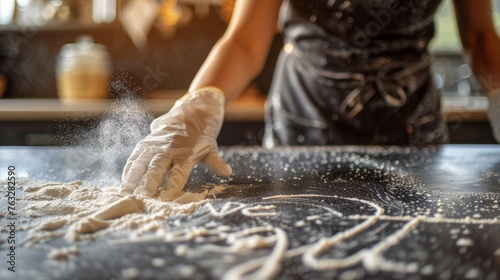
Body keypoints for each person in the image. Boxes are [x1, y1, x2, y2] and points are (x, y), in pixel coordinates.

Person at [120, 0, 500, 200]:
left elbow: (481, 34)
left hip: (411, 124)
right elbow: (245, 41)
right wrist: (195, 106)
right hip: (304, 122)